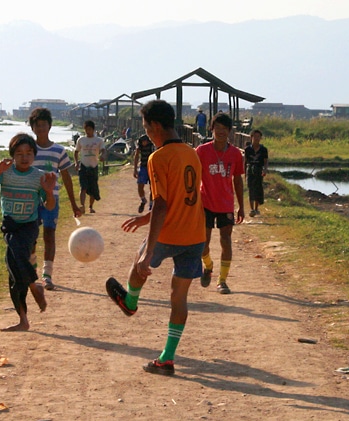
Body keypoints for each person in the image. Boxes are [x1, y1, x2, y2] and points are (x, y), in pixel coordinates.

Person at [106, 100, 204, 376]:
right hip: (194, 235)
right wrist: (144, 218)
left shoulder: (157, 158)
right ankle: (167, 358)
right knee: (179, 297)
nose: (146, 132)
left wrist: (149, 250)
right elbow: (183, 198)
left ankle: (131, 302)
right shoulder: (192, 153)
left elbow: (162, 204)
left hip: (169, 234)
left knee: (139, 263)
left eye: (147, 127)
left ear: (157, 126)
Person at [0, 133, 56, 332]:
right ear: (12, 155)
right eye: (19, 153)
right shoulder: (5, 173)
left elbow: (49, 207)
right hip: (10, 224)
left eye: (29, 153)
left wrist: (49, 192)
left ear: (34, 154)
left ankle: (34, 285)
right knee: (13, 274)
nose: (24, 157)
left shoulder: (38, 176)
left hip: (28, 226)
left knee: (15, 250)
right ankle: (23, 319)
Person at [29, 107, 82, 291]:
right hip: (30, 200)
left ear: (49, 126)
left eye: (43, 125)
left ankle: (47, 275)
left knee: (49, 235)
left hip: (52, 199)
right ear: (32, 128)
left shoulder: (58, 150)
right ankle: (33, 270)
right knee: (31, 238)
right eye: (37, 125)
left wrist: (74, 203)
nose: (40, 128)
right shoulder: (28, 150)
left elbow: (67, 177)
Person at [196, 113, 245, 295]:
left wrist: (241, 206)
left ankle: (222, 281)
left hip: (226, 204)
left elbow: (238, 180)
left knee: (226, 241)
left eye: (225, 129)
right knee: (203, 243)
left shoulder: (235, 154)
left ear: (230, 131)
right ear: (212, 129)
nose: (221, 132)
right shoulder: (201, 151)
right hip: (205, 202)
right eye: (218, 128)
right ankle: (208, 266)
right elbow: (193, 177)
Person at [74, 120, 106, 214]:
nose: (88, 131)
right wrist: (76, 163)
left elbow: (103, 150)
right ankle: (82, 206)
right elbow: (76, 152)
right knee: (83, 187)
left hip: (93, 166)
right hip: (83, 166)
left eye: (90, 129)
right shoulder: (81, 140)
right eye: (86, 129)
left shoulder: (99, 140)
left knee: (93, 189)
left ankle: (91, 207)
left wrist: (103, 156)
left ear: (93, 129)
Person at [243, 129, 269, 217]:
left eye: (258, 137)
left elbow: (265, 161)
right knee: (251, 188)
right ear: (251, 138)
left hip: (259, 169)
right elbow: (245, 162)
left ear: (260, 138)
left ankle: (256, 208)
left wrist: (265, 170)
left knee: (258, 188)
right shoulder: (247, 149)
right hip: (250, 169)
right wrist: (244, 173)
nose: (256, 138)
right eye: (255, 137)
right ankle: (252, 209)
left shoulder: (263, 149)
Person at [132, 134, 155, 213]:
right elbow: (137, 155)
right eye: (142, 142)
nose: (144, 143)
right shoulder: (140, 146)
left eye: (145, 142)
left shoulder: (152, 145)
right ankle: (143, 200)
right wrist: (135, 169)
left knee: (152, 187)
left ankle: (151, 205)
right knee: (140, 186)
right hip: (143, 167)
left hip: (152, 167)